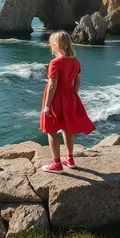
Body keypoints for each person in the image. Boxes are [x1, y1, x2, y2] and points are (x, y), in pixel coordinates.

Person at [40, 31, 96, 172]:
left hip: (55, 98)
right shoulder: (75, 61)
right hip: (69, 96)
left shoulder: (56, 63)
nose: (51, 46)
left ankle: (57, 164)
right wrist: (72, 96)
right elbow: (77, 82)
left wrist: (47, 106)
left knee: (51, 130)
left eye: (52, 43)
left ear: (56, 45)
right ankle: (70, 159)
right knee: (67, 128)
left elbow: (52, 85)